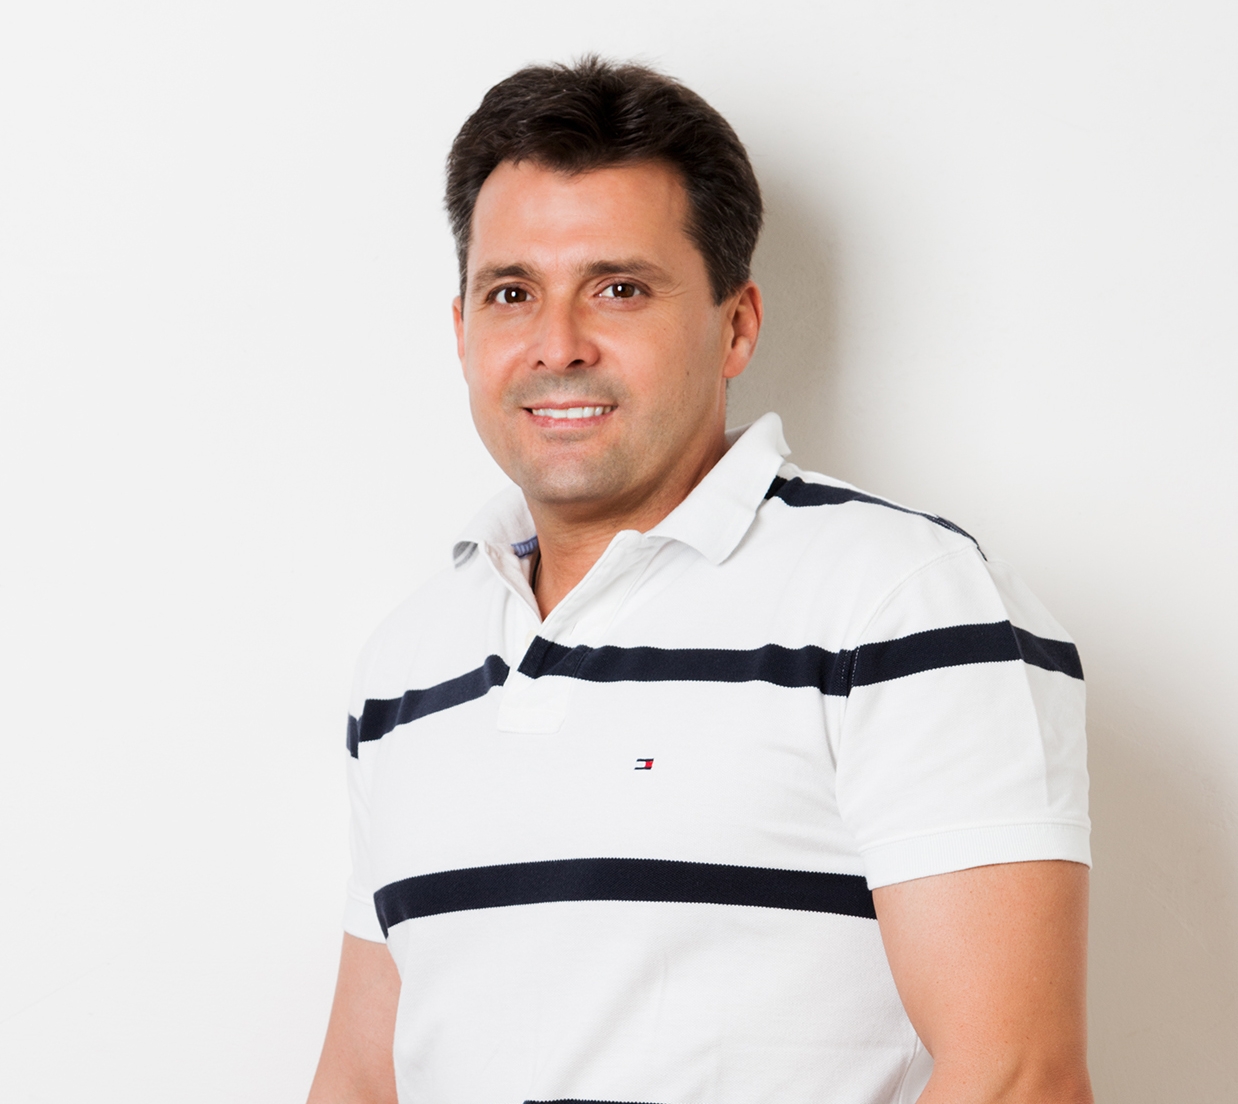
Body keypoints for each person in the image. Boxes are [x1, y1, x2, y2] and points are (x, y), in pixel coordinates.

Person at [307, 56, 1093, 1104]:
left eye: (619, 289)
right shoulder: (409, 662)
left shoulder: (902, 601)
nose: (556, 345)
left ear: (736, 325)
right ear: (461, 332)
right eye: (512, 293)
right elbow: (362, 1080)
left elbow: (1017, 1077)